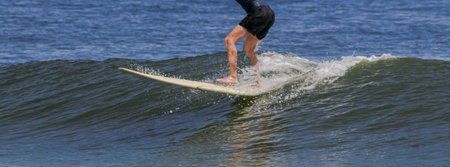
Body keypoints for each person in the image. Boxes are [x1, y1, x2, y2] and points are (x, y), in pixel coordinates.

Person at [216, 0, 275, 87]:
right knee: (248, 49)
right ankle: (258, 82)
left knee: (229, 40)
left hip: (259, 12)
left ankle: (233, 76)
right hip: (270, 14)